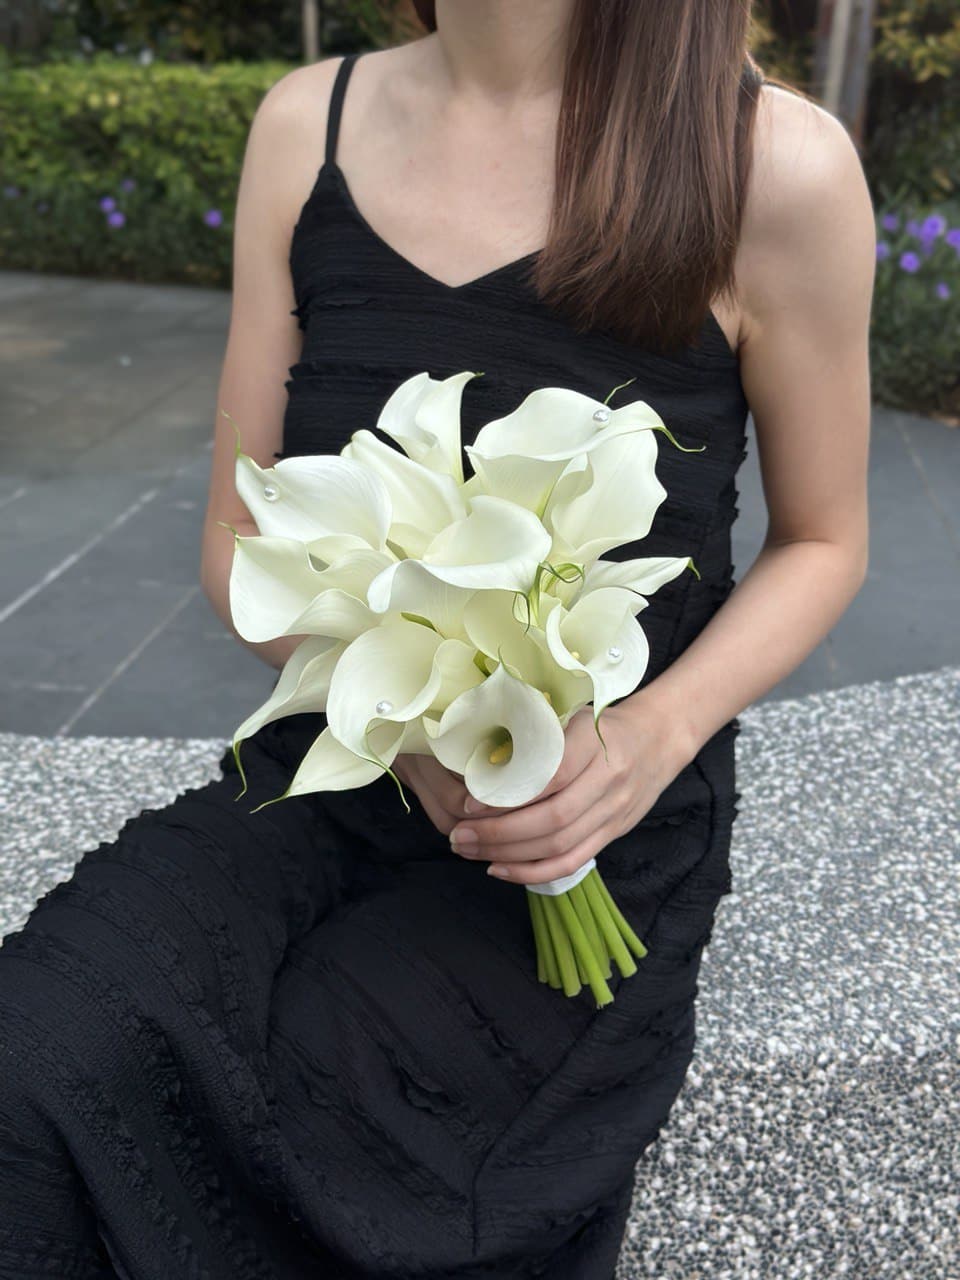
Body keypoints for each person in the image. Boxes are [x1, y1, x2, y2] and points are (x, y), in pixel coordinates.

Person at [0, 1, 874, 1276]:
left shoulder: (770, 165)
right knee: (36, 1055)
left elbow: (825, 539)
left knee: (358, 1126)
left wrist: (644, 741)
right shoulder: (308, 129)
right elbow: (240, 540)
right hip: (343, 774)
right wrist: (418, 743)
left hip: (598, 824)